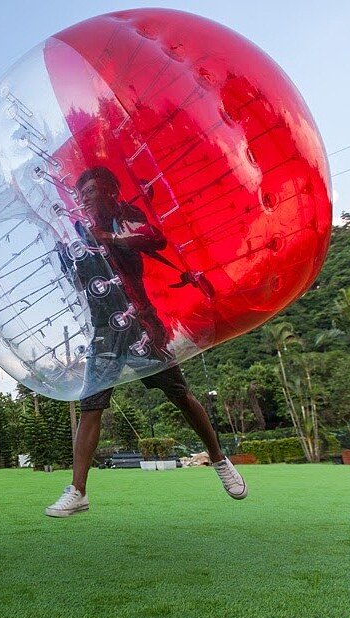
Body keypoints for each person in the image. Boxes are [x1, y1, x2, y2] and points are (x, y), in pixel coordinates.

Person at [45, 166, 247, 518]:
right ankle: (78, 490)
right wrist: (68, 259)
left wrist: (111, 238)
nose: (85, 198)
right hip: (105, 330)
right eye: (82, 194)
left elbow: (155, 238)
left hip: (140, 323)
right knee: (91, 404)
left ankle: (219, 459)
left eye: (91, 191)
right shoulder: (80, 233)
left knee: (179, 394)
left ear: (110, 191)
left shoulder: (126, 217)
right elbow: (81, 285)